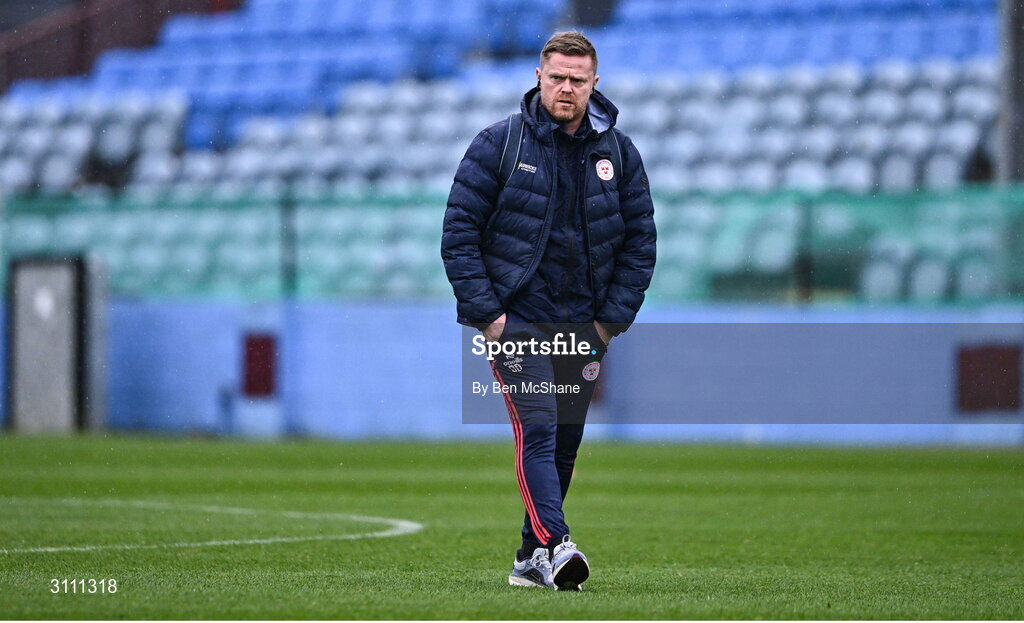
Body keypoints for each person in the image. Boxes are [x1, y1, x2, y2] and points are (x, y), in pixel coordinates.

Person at [441, 31, 656, 591]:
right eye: (557, 77)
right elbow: (458, 233)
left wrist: (609, 323)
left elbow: (640, 243)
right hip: (519, 322)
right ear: (539, 76)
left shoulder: (619, 154)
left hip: (585, 327)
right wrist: (490, 318)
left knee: (564, 445)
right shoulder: (498, 144)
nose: (566, 88)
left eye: (577, 80)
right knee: (537, 429)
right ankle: (559, 547)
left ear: (594, 84)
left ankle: (527, 559)